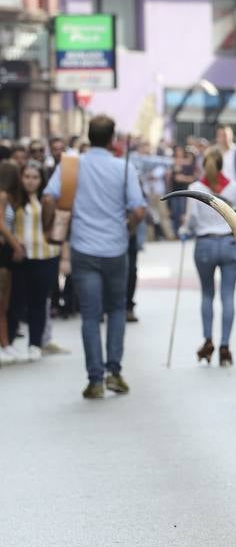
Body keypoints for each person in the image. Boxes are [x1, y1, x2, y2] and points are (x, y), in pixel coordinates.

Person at [42, 114, 146, 399]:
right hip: (115, 249)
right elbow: (138, 210)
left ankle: (95, 379)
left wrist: (50, 227)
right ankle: (114, 372)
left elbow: (48, 197)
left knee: (89, 315)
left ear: (88, 135)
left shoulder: (72, 164)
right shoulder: (123, 167)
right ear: (113, 140)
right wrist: (128, 228)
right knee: (115, 310)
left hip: (83, 248)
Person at [179, 147, 236, 367]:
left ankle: (208, 340)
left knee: (207, 294)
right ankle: (225, 346)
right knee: (228, 296)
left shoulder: (195, 188)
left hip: (205, 245)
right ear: (222, 166)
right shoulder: (235, 188)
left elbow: (191, 221)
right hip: (229, 244)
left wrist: (184, 230)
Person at [5, 161, 60, 363]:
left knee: (39, 302)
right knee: (15, 302)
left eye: (35, 177)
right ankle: (8, 342)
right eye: (26, 176)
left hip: (45, 255)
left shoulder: (47, 199)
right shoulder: (13, 200)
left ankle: (35, 343)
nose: (30, 181)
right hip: (21, 256)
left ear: (41, 180)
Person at [0, 161, 21, 363]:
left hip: (6, 250)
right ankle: (4, 344)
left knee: (4, 302)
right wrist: (16, 244)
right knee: (2, 300)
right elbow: (1, 224)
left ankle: (5, 343)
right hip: (4, 250)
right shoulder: (3, 196)